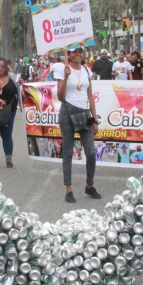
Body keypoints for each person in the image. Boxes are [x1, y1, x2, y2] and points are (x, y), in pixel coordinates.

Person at [54, 46, 101, 203]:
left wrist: (94, 119)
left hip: (85, 114)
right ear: (68, 54)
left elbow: (90, 96)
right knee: (68, 152)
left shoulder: (87, 70)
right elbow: (60, 96)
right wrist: (66, 77)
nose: (77, 55)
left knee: (91, 152)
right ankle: (69, 189)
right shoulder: (62, 70)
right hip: (67, 113)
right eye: (74, 52)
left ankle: (89, 185)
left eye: (80, 52)